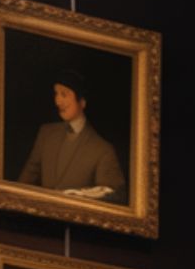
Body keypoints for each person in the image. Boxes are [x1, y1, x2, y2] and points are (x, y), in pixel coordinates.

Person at [18, 66, 127, 203]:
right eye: (56, 94)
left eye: (64, 94)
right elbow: (24, 183)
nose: (57, 101)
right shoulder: (46, 133)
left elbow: (115, 195)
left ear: (82, 102)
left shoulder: (103, 150)